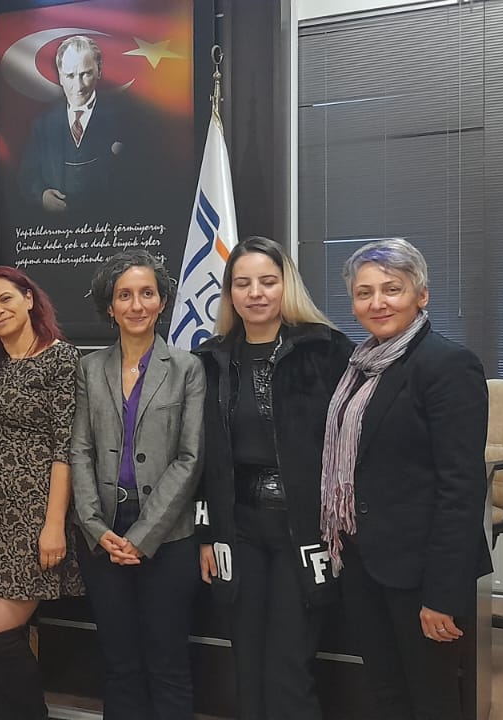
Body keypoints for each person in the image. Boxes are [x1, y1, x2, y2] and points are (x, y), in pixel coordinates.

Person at [322, 238, 490, 720]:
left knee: (432, 700)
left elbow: (461, 488)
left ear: (421, 295)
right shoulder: (358, 367)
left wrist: (442, 594)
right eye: (364, 293)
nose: (377, 303)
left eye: (391, 289)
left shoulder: (446, 365)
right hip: (364, 560)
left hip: (420, 572)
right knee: (386, 691)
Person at [193, 237, 353, 720]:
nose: (256, 293)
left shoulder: (326, 350)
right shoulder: (211, 359)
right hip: (238, 528)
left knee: (289, 663)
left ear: (287, 286)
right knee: (246, 660)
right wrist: (206, 533)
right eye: (242, 283)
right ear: (229, 293)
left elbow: (353, 443)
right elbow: (201, 456)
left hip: (303, 527)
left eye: (267, 281)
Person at [69, 250, 205, 719]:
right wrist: (93, 526)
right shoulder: (89, 368)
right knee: (119, 665)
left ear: (162, 302)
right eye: (124, 295)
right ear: (109, 307)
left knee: (168, 665)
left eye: (147, 293)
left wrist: (143, 537)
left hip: (168, 538)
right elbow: (80, 450)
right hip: (104, 536)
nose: (136, 304)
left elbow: (190, 458)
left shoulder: (187, 368)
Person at [0, 266, 85, 720]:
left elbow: (66, 447)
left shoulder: (61, 359)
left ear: (29, 299)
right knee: (1, 638)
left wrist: (54, 525)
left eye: (5, 299)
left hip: (33, 512)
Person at [18, 35, 136, 217]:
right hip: (57, 227)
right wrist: (42, 195)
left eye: (85, 74)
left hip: (113, 224)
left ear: (99, 71)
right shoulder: (43, 125)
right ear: (60, 76)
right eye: (70, 75)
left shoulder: (124, 119)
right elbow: (27, 176)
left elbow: (142, 177)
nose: (78, 86)